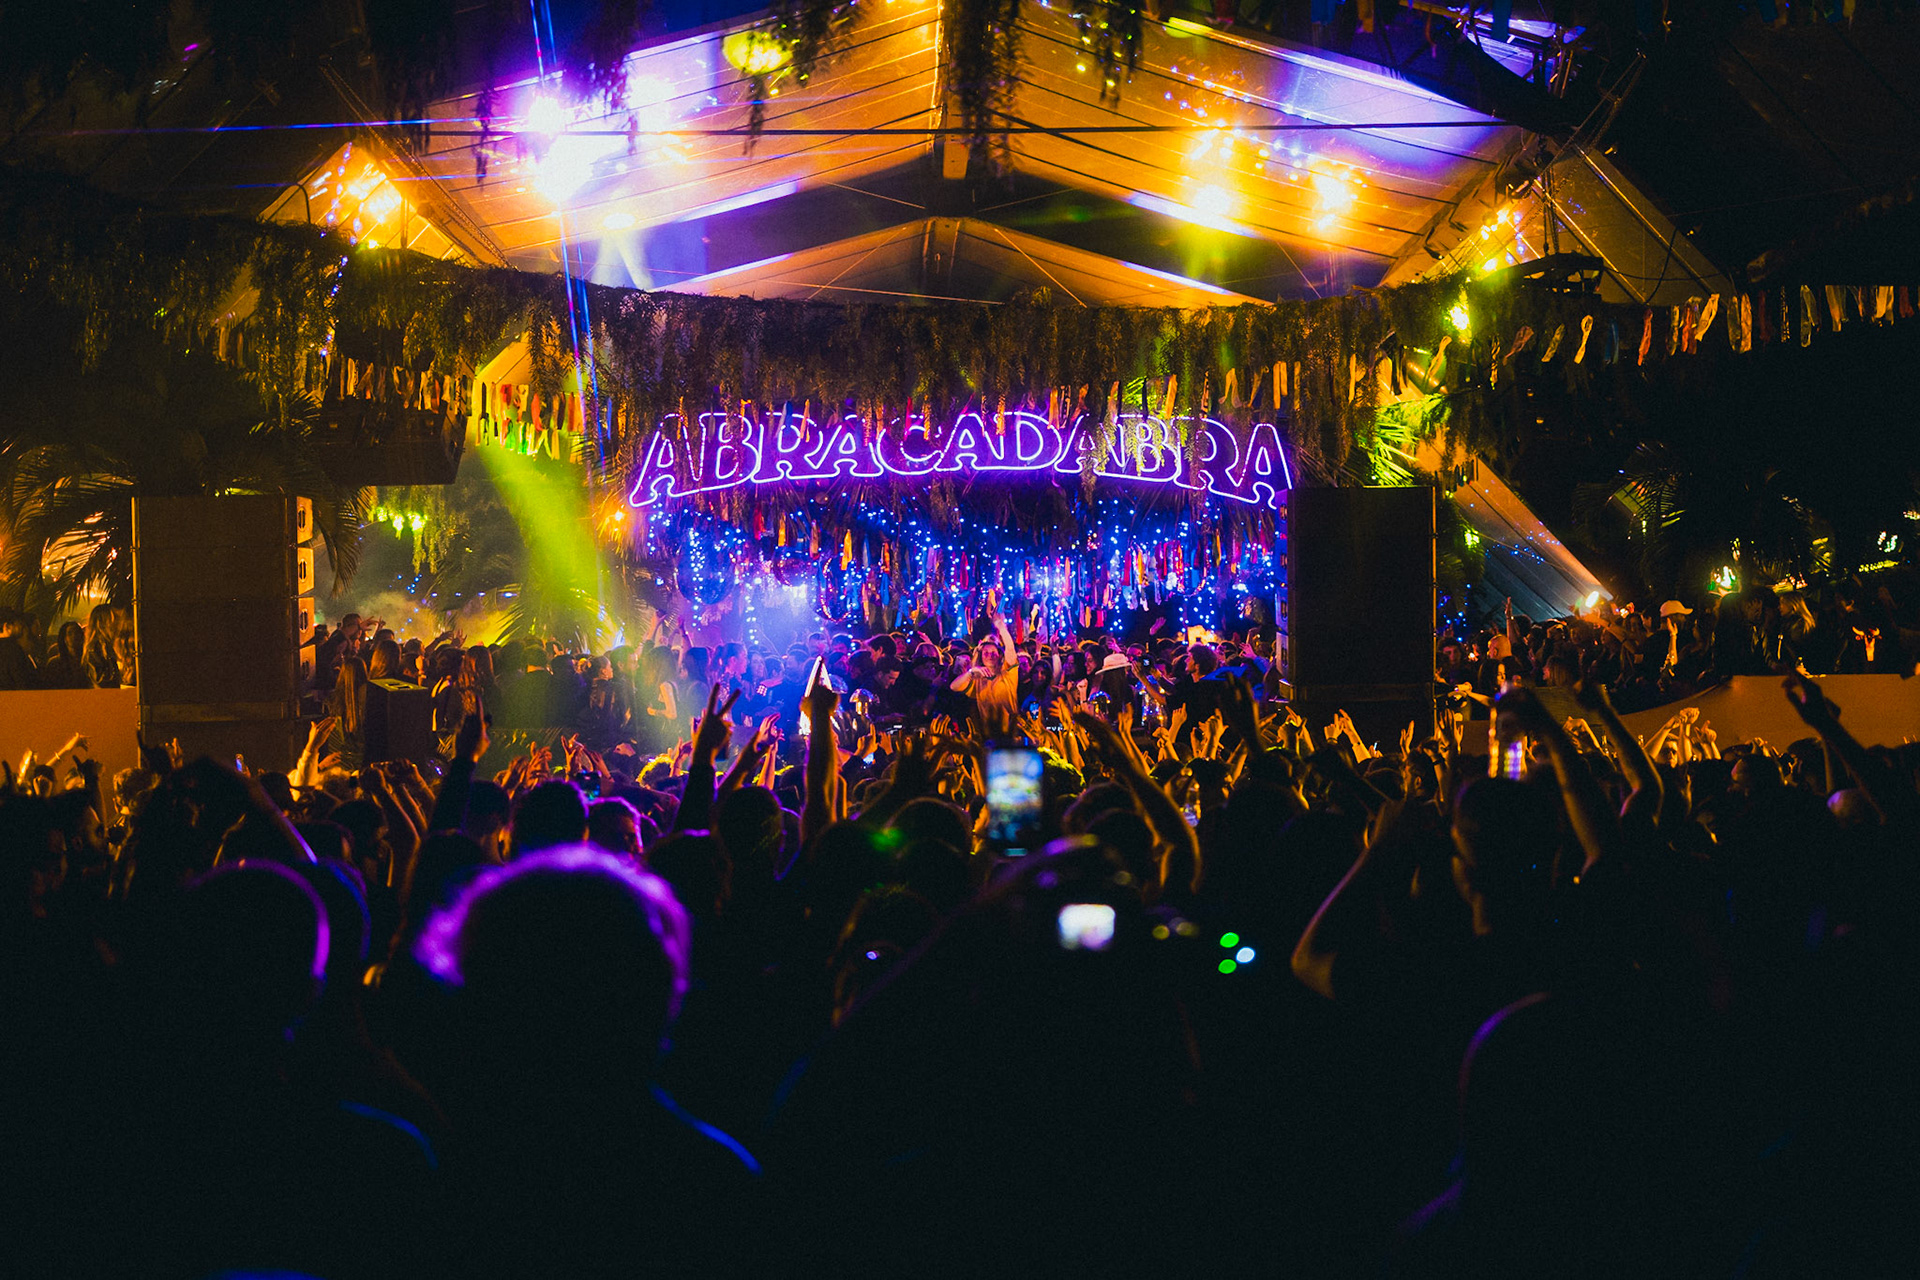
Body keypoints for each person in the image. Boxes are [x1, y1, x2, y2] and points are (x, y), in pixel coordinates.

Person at [949, 612, 1018, 734]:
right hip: (988, 735)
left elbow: (1010, 649)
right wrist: (970, 672)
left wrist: (1001, 627)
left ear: (999, 655)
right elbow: (954, 687)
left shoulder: (1008, 673)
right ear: (981, 656)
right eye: (986, 653)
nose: (990, 655)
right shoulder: (977, 680)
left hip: (1010, 732)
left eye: (993, 652)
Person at [0, 607, 43, 689]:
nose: (23, 628)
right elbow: (22, 684)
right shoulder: (13, 651)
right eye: (19, 624)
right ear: (7, 627)